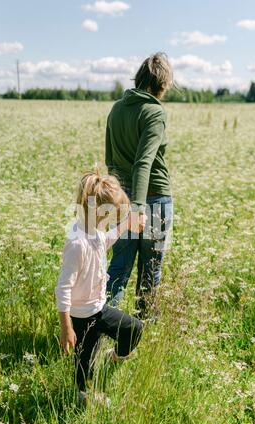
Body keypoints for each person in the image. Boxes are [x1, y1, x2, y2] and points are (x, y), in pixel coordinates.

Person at [55, 170, 144, 405]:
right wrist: (66, 328)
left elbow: (106, 241)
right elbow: (63, 288)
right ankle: (83, 394)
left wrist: (126, 224)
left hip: (99, 307)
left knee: (133, 328)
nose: (112, 221)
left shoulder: (94, 231)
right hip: (82, 317)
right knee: (85, 362)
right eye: (111, 216)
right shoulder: (77, 243)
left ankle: (116, 356)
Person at [105, 52, 174, 318]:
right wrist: (138, 208)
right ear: (163, 83)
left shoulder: (117, 108)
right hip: (153, 202)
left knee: (118, 268)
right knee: (151, 270)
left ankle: (99, 329)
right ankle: (142, 331)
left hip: (121, 199)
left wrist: (120, 201)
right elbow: (143, 163)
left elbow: (111, 160)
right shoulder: (154, 112)